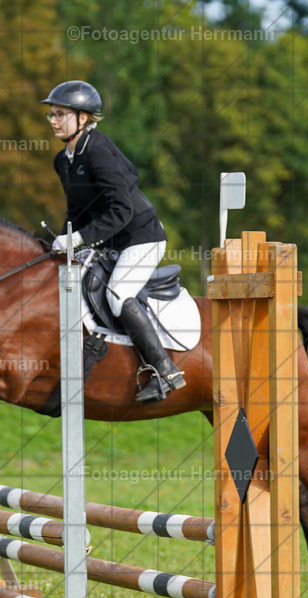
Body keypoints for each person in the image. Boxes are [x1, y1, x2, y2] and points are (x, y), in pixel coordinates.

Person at [43, 80, 185, 404]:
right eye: (51, 114)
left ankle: (165, 370)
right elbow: (77, 211)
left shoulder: (98, 150)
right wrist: (60, 238)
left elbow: (121, 210)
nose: (52, 119)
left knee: (119, 294)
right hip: (110, 239)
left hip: (141, 237)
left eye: (60, 114)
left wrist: (78, 238)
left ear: (83, 118)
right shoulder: (63, 160)